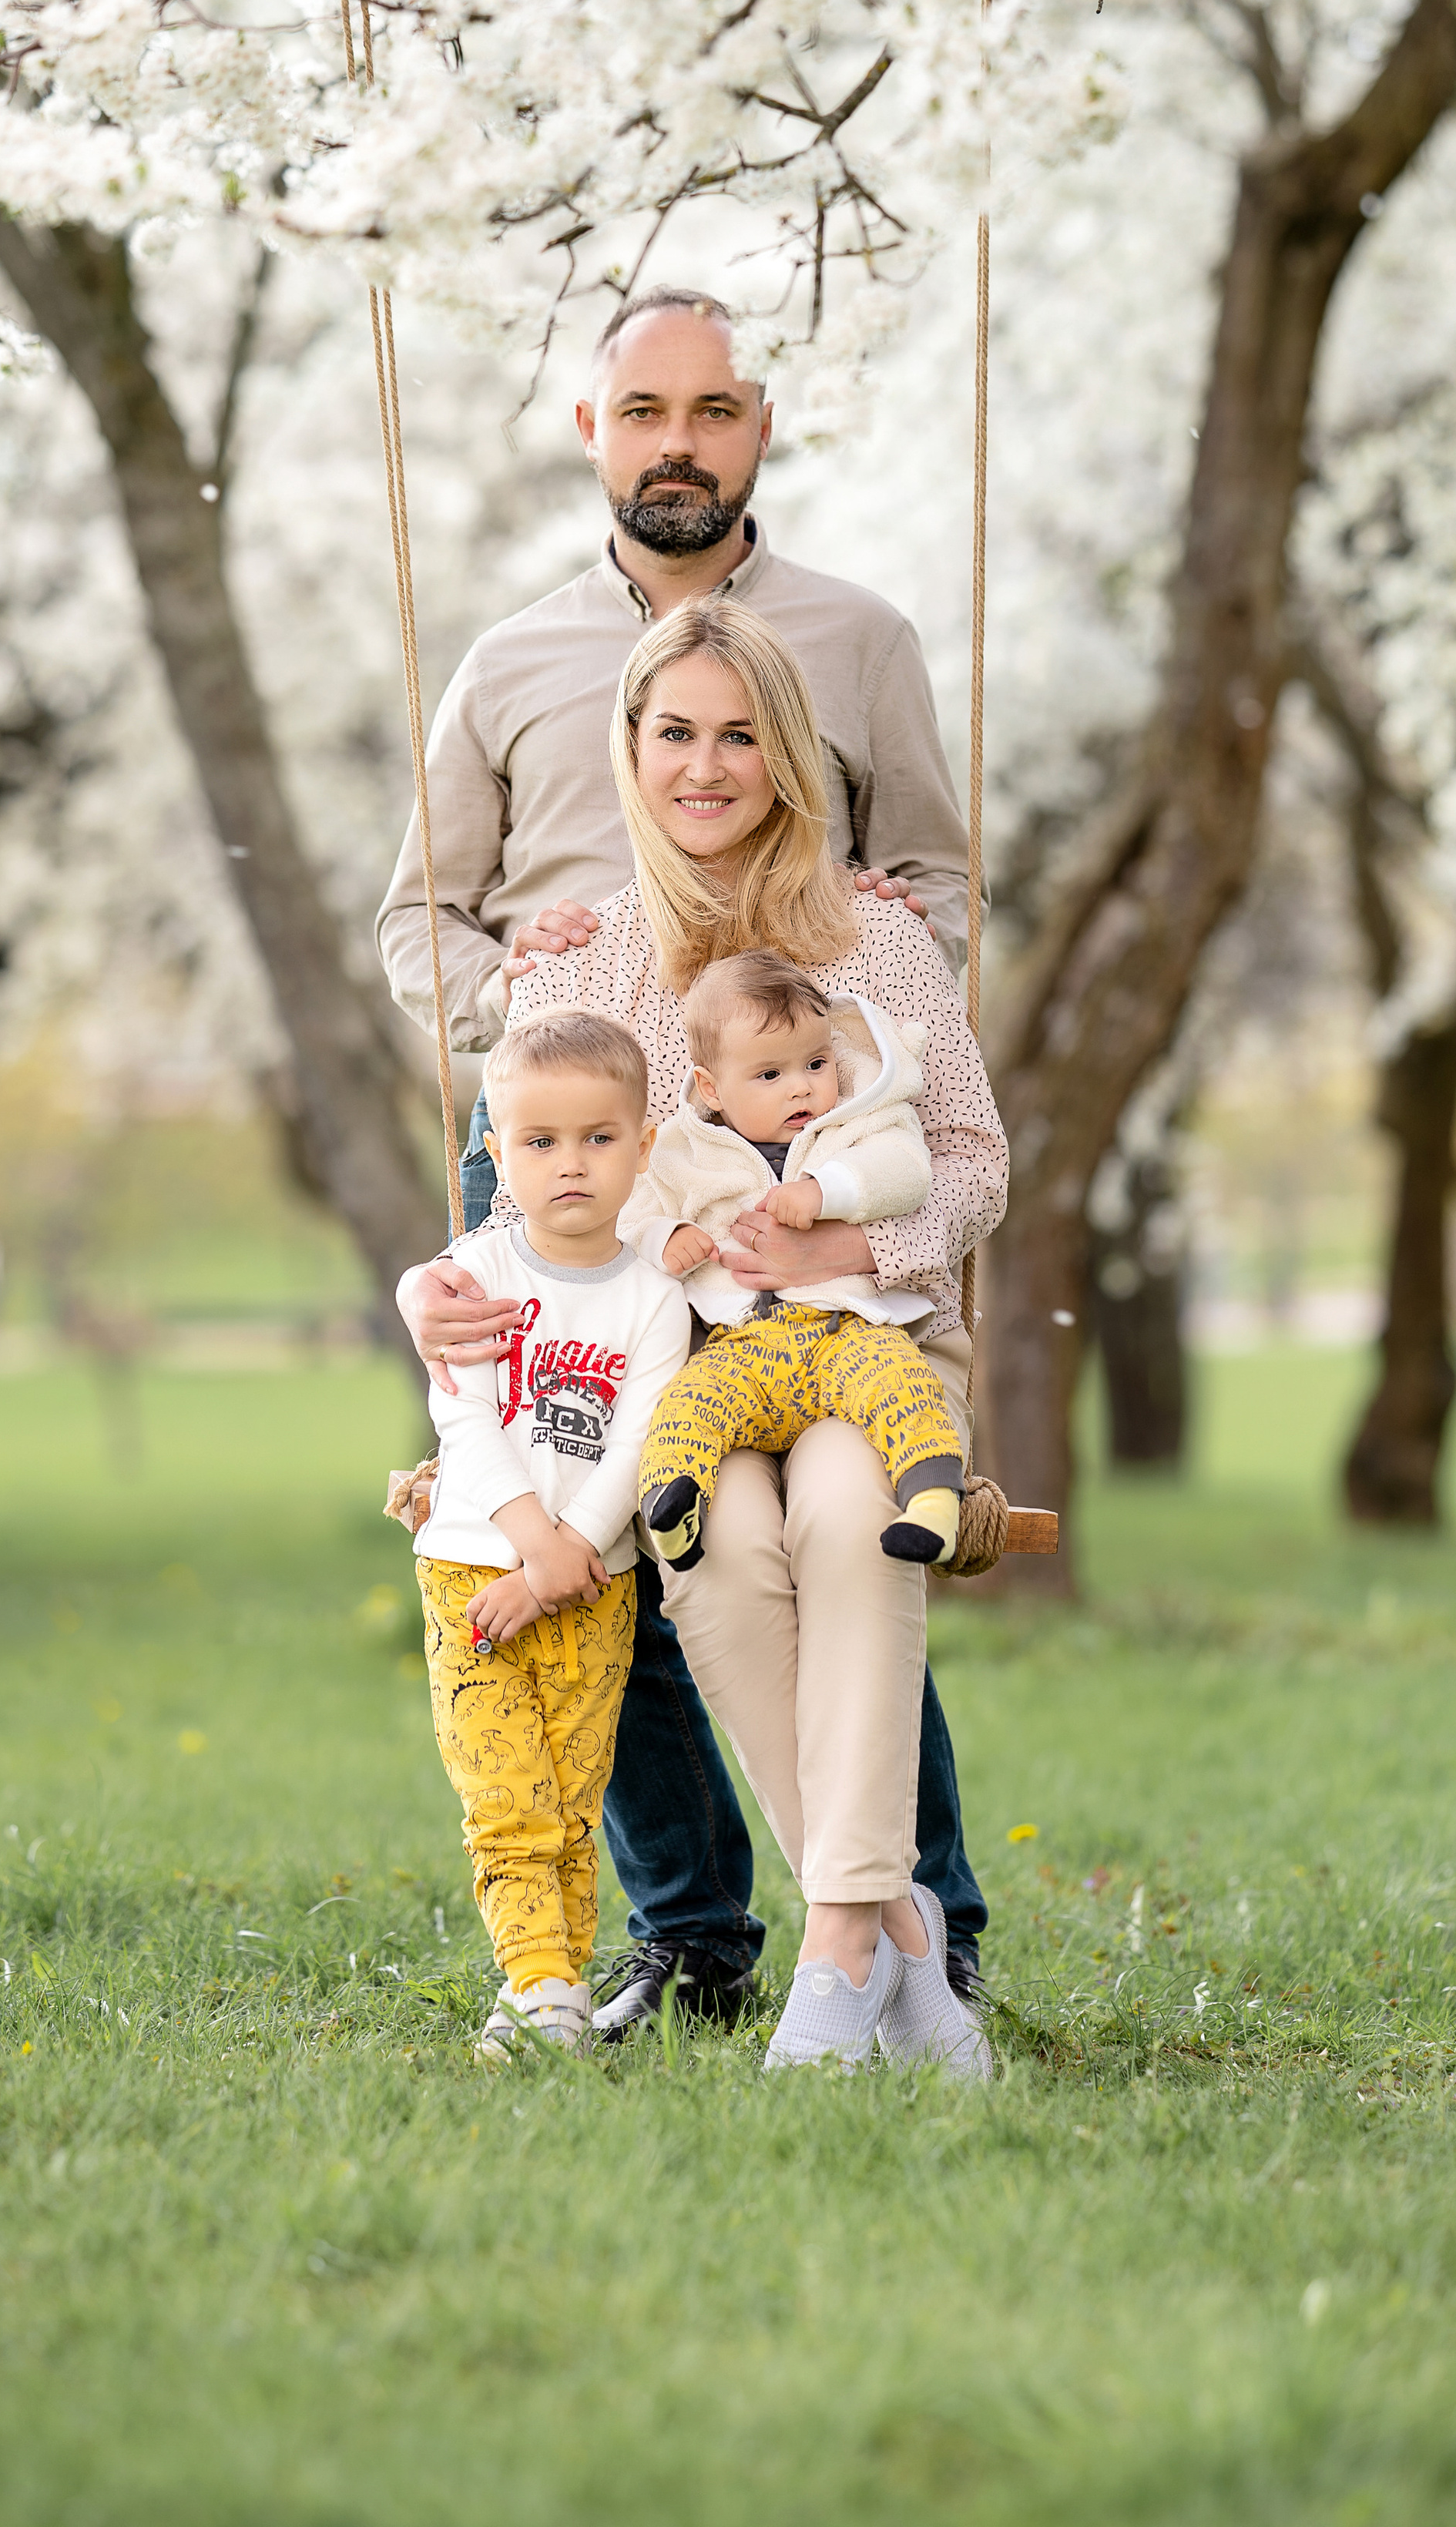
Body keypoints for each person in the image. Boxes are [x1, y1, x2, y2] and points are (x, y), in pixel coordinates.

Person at [383, 286, 990, 2035]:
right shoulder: (508, 663)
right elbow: (415, 916)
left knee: (832, 1521)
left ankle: (914, 1915)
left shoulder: (856, 639)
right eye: (641, 409)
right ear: (592, 430)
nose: (675, 440)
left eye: (709, 409)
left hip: (800, 1156)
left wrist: (872, 969)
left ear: (757, 427)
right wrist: (533, 1006)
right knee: (604, 1556)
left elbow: (941, 881)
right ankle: (695, 1930)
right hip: (579, 1157)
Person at [481, 597, 1003, 2073]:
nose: (706, 766)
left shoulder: (877, 940)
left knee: (849, 1519)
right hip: (693, 1366)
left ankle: (841, 1942)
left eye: (740, 733)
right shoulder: (583, 964)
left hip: (874, 1347)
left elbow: (974, 1160)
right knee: (714, 1543)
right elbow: (545, 1191)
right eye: (673, 733)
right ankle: (896, 1931)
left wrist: (850, 1239)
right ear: (629, 748)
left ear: (788, 750)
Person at [411, 1008, 690, 2060]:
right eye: (539, 1142)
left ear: (643, 1148)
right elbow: (464, 1417)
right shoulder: (478, 1276)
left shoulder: (654, 1301)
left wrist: (563, 1561)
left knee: (571, 1796)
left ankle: (559, 1993)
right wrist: (533, 1551)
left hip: (595, 1586)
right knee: (504, 1789)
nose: (570, 1165)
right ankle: (535, 1981)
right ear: (495, 1153)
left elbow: (637, 1446)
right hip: (473, 1571)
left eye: (598, 1139)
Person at [626, 949, 965, 1572]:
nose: (802, 1086)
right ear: (712, 1089)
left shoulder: (860, 1121)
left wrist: (827, 1190)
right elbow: (634, 1208)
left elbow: (907, 1172)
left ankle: (933, 1502)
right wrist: (665, 1235)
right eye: (770, 1075)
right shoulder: (683, 1148)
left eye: (815, 1063)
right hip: (740, 1347)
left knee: (903, 1386)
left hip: (847, 1333)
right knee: (688, 1404)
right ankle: (673, 1506)